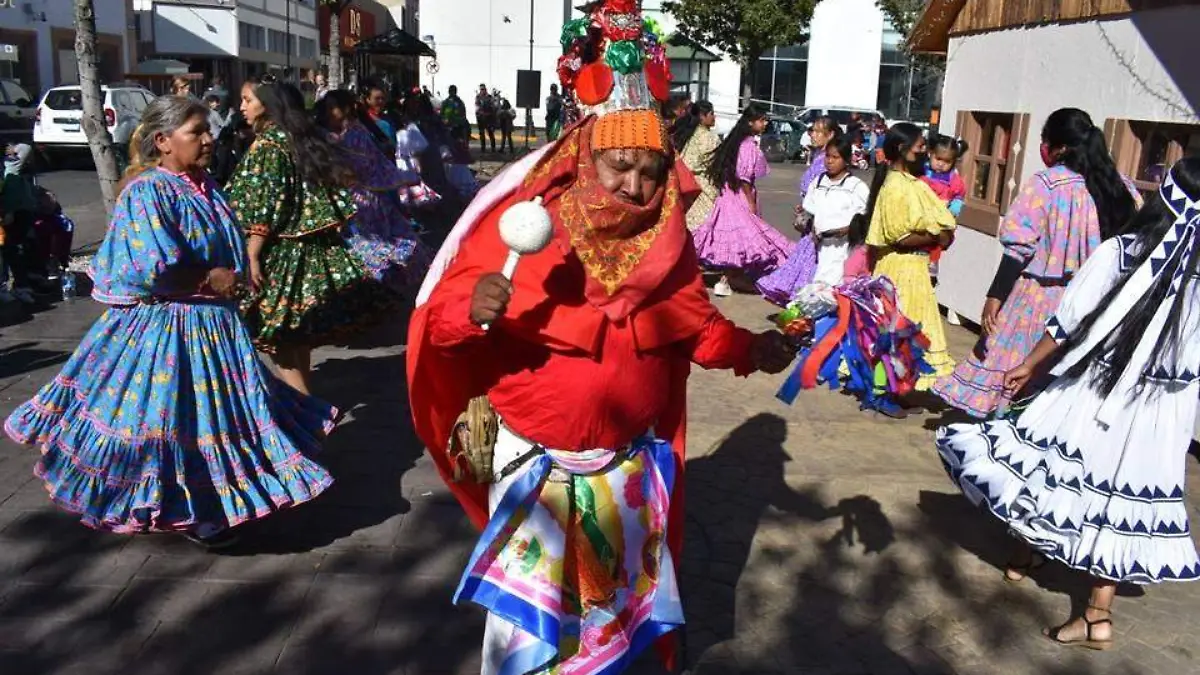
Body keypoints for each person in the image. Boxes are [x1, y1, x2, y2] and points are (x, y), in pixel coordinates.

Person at [407, 3, 795, 671]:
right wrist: (472, 307)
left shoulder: (667, 236)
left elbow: (692, 324)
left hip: (626, 470)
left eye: (649, 169)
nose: (636, 185)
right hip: (535, 464)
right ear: (587, 155)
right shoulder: (526, 221)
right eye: (620, 166)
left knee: (606, 622)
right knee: (527, 632)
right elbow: (443, 325)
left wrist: (749, 351)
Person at [3, 96, 337, 548]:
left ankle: (210, 504)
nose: (208, 138)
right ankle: (192, 511)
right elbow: (151, 265)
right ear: (163, 141)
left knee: (210, 422)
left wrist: (237, 274)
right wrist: (208, 276)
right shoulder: (148, 191)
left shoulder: (204, 184)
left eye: (207, 129)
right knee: (174, 424)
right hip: (169, 328)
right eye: (196, 131)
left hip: (213, 328)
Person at [936, 157, 1200, 649]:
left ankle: (1024, 556)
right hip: (1166, 407)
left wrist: (1030, 364)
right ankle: (1099, 616)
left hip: (1098, 387)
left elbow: (1068, 320)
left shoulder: (1124, 252)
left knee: (1051, 469)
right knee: (1124, 495)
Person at [932, 108, 1138, 418]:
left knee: (1012, 376)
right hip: (1097, 300)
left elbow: (1018, 247)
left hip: (1040, 299)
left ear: (1059, 147)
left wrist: (995, 295)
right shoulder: (1120, 186)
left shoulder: (1047, 184)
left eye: (1045, 141)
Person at [227, 77, 397, 395]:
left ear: (267, 103)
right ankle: (307, 409)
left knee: (279, 339)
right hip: (304, 252)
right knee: (294, 340)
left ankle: (306, 416)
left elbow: (267, 204)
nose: (242, 107)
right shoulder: (294, 138)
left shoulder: (269, 145)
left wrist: (251, 253)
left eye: (247, 100)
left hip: (280, 256)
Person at [863, 123, 956, 392]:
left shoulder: (914, 184)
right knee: (894, 332)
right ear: (903, 150)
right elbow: (899, 237)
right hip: (900, 269)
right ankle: (883, 393)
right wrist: (936, 237)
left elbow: (941, 225)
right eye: (920, 146)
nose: (925, 151)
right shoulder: (895, 187)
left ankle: (900, 389)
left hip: (915, 270)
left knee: (909, 333)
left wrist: (940, 235)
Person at [314, 90, 431, 293]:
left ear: (346, 109)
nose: (328, 112)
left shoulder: (356, 133)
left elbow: (367, 163)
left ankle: (381, 284)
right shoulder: (323, 134)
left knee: (377, 242)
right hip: (346, 200)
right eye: (327, 107)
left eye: (333, 107)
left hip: (365, 200)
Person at [692, 104, 792, 297]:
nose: (765, 123)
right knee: (746, 239)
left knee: (735, 241)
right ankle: (728, 279)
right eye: (761, 120)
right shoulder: (747, 146)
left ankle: (726, 280)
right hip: (738, 197)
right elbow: (744, 177)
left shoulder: (736, 142)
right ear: (750, 122)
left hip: (727, 196)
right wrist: (751, 202)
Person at [756, 115, 839, 305]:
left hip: (820, 224)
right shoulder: (819, 158)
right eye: (813, 131)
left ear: (830, 134)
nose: (813, 135)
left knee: (813, 268)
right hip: (809, 221)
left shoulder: (827, 161)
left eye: (819, 131)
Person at [802, 135, 870, 286]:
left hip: (844, 249)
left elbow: (867, 218)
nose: (830, 161)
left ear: (846, 160)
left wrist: (847, 229)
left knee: (839, 289)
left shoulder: (856, 187)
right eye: (827, 156)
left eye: (835, 157)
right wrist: (807, 223)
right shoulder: (818, 182)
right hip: (819, 248)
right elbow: (810, 211)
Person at [919, 134, 967, 284]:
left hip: (941, 214)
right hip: (922, 212)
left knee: (936, 244)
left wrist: (955, 205)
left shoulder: (952, 178)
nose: (941, 164)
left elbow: (959, 193)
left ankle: (932, 268)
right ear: (930, 154)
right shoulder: (923, 172)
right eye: (938, 159)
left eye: (947, 161)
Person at [672, 100, 720, 230]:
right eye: (712, 113)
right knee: (707, 226)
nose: (714, 117)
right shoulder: (710, 138)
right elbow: (717, 165)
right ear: (702, 116)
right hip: (704, 187)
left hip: (686, 185)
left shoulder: (686, 135)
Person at [361, 82, 396, 155]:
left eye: (383, 98)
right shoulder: (362, 120)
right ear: (368, 100)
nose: (380, 101)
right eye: (377, 99)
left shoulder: (389, 119)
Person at [474, 84, 497, 154]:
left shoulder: (489, 97)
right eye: (481, 89)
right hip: (481, 118)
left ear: (485, 89)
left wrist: (490, 114)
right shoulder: (478, 97)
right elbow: (477, 106)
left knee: (490, 133)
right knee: (481, 134)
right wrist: (480, 112)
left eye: (483, 89)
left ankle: (493, 148)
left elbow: (493, 107)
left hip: (488, 118)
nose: (482, 91)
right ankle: (483, 148)